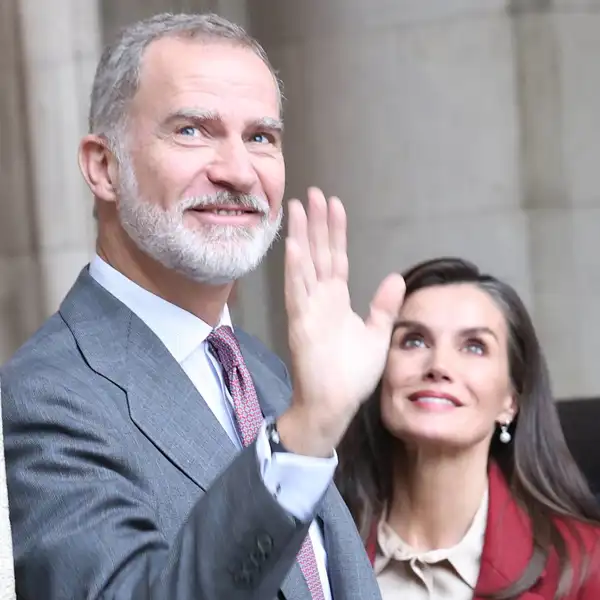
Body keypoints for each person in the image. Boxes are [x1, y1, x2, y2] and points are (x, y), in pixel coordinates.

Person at [0, 12, 406, 600]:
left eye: (260, 137)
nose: (238, 171)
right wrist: (305, 434)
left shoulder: (264, 372)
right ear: (103, 166)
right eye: (192, 130)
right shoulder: (45, 397)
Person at [334, 257, 600, 599]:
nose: (439, 366)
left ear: (511, 400)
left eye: (474, 346)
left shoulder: (583, 565)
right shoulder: (317, 547)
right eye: (414, 341)